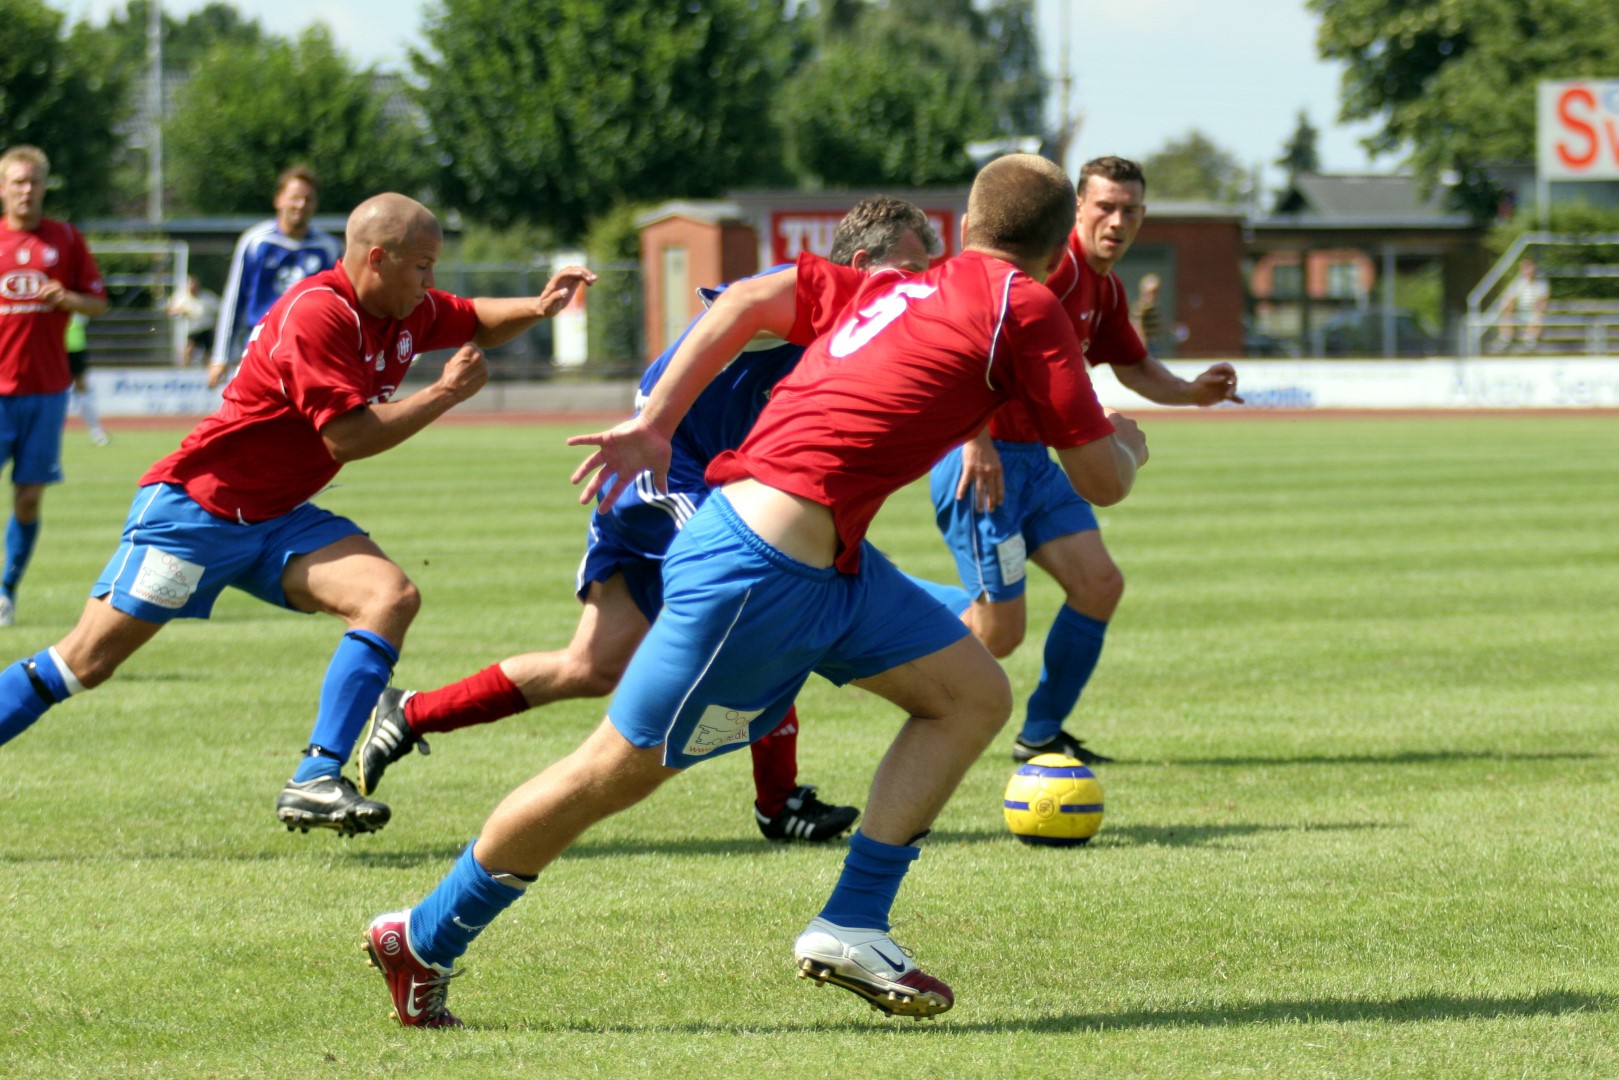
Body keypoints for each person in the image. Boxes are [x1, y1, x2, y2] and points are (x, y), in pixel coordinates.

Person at [361, 153, 1148, 1028]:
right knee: (611, 772)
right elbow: (1102, 481)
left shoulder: (898, 286)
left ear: (964, 227)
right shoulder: (1027, 305)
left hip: (827, 561)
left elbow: (742, 301)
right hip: (756, 567)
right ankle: (422, 935)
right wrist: (1127, 442)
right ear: (1057, 245)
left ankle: (852, 922)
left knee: (972, 695)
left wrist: (655, 421)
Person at [0, 192, 595, 838]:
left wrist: (538, 306)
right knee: (83, 663)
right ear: (377, 259)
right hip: (197, 514)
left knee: (388, 597)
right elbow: (349, 438)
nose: (431, 281)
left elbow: (476, 318)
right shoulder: (318, 315)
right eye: (423, 265)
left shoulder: (402, 309)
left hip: (278, 518)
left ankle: (315, 777)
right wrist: (445, 393)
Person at [355, 197, 942, 845]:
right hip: (666, 473)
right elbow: (737, 303)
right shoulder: (807, 294)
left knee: (591, 666)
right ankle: (778, 803)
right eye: (912, 270)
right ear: (859, 262)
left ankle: (412, 712)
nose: (923, 288)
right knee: (770, 598)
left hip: (688, 481)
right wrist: (654, 424)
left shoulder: (871, 330)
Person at [929, 156, 1241, 766]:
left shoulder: (1106, 287)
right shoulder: (1052, 268)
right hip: (982, 463)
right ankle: (874, 599)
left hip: (1037, 465)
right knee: (999, 635)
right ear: (1077, 209)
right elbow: (970, 333)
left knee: (1099, 585)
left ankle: (1041, 733)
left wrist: (1192, 392)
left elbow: (1134, 365)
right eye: (1106, 207)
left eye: (1131, 210)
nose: (1118, 221)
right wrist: (975, 438)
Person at [0, 145, 109, 628]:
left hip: (45, 392)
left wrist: (67, 298)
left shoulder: (65, 239)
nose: (26, 190)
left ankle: (6, 591)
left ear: (44, 186)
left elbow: (98, 304)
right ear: (3, 187)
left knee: (28, 498)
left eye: (34, 182)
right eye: (17, 182)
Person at [207, 164, 342, 388]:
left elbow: (339, 305)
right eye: (295, 198)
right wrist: (220, 357)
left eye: (308, 199)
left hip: (310, 356)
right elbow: (234, 300)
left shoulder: (329, 248)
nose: (301, 205)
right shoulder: (257, 242)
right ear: (278, 199)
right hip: (260, 352)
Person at [66, 313, 109, 446]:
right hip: (54, 349)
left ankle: (96, 431)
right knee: (52, 391)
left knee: (82, 390)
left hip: (76, 349)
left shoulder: (76, 305)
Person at [1494, 258, 1549, 353]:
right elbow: (1509, 297)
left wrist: (1537, 311)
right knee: (1506, 313)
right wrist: (1508, 308)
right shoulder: (1517, 283)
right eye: (1524, 268)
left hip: (1534, 311)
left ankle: (1530, 339)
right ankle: (1505, 338)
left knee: (1537, 316)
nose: (1527, 270)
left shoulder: (1541, 283)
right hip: (1519, 311)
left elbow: (1543, 300)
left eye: (1529, 267)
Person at [166, 274, 221, 368]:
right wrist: (181, 311)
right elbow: (170, 311)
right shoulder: (181, 297)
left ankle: (207, 369)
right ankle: (183, 369)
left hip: (206, 328)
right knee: (189, 349)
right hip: (192, 330)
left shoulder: (207, 296)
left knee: (208, 352)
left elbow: (219, 308)